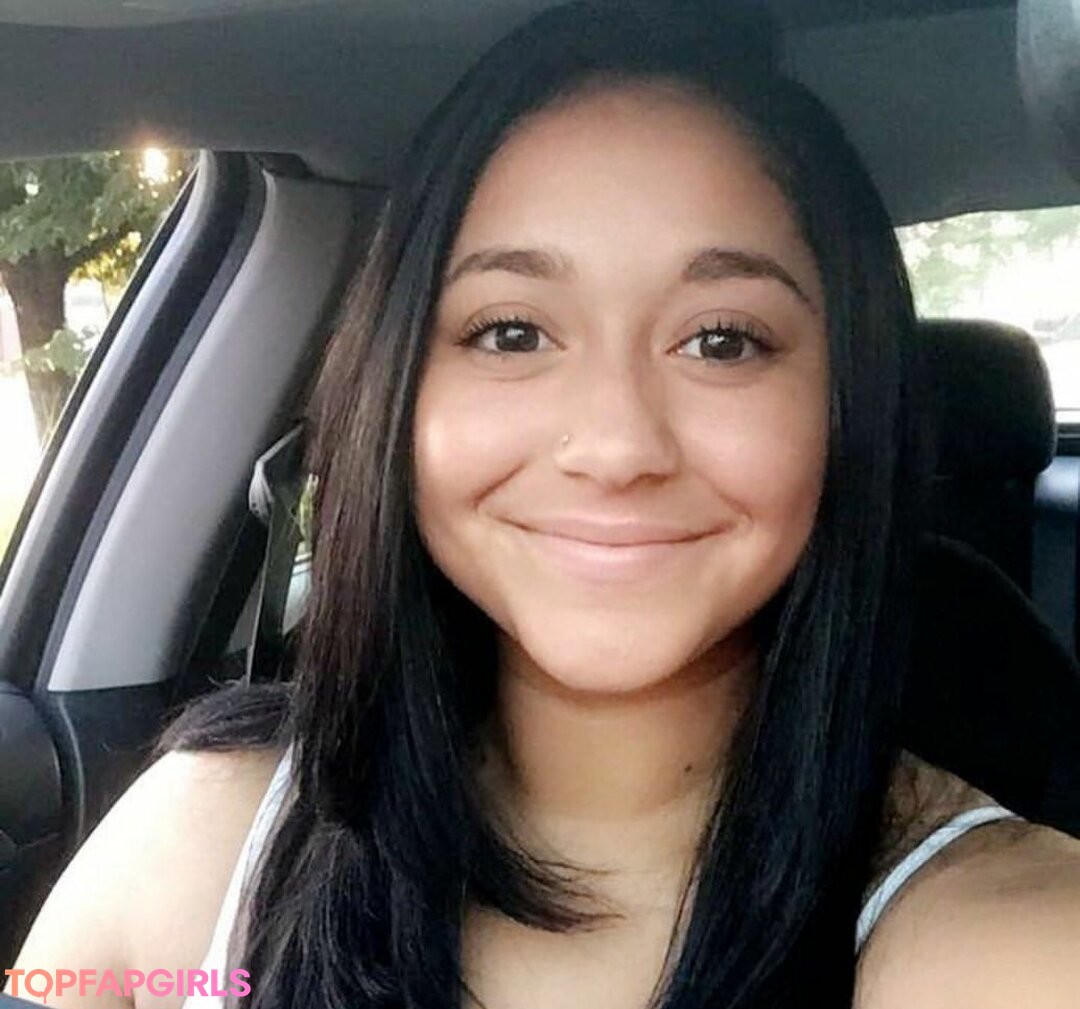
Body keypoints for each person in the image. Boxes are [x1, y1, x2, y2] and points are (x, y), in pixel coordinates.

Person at [7, 3, 1080, 1008]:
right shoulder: (196, 845)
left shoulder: (1010, 943)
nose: (615, 445)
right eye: (512, 332)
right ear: (395, 391)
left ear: (847, 404)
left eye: (722, 340)